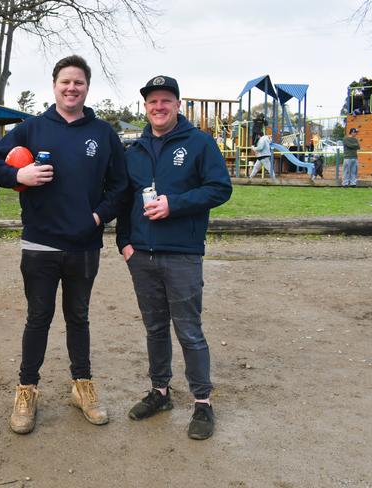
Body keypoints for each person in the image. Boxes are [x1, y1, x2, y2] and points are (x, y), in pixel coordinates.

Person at [0, 55, 127, 434]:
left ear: (86, 87)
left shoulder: (104, 133)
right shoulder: (31, 129)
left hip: (84, 244)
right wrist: (20, 173)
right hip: (40, 244)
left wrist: (98, 218)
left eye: (78, 82)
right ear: (54, 85)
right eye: (65, 81)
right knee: (38, 317)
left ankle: (82, 386)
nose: (71, 88)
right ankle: (27, 389)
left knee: (78, 316)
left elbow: (120, 186)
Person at [116, 75, 232, 440]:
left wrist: (175, 205)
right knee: (154, 328)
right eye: (152, 102)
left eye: (166, 100)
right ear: (146, 107)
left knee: (189, 331)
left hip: (182, 255)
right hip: (142, 256)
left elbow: (220, 188)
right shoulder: (133, 152)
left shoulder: (199, 143)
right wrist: (124, 243)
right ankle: (160, 392)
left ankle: (202, 401)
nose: (159, 107)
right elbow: (124, 200)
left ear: (178, 105)